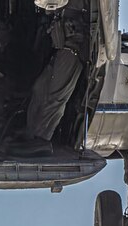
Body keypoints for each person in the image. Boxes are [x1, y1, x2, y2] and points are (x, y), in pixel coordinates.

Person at [23, 0, 87, 151]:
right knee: (38, 89)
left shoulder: (75, 4)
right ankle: (31, 134)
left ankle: (41, 139)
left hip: (71, 51)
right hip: (60, 50)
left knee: (56, 98)